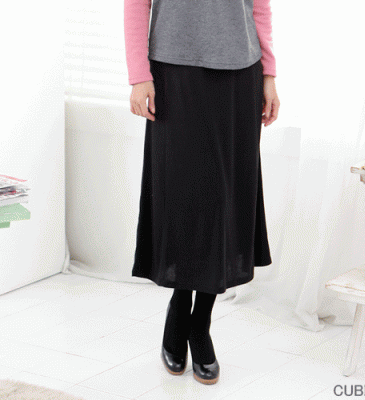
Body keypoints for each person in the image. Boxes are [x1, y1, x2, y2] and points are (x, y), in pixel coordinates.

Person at [124, 0, 280, 385]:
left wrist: (269, 73)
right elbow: (136, 4)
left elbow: (260, 5)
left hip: (241, 72)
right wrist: (138, 74)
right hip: (173, 71)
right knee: (181, 196)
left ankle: (201, 321)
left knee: (226, 198)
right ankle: (180, 304)